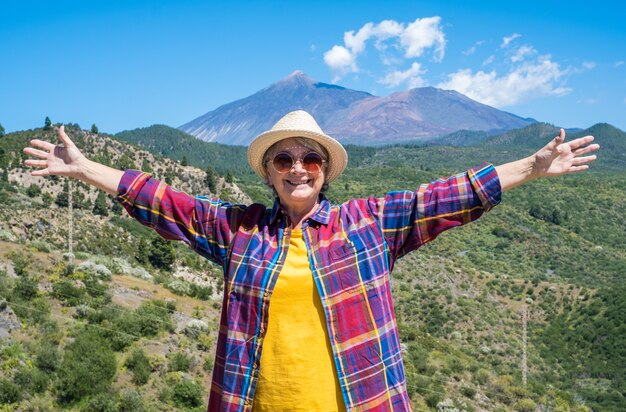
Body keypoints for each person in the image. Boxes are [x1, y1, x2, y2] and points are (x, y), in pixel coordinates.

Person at [23, 110, 599, 411]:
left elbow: (445, 197)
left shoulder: (368, 224)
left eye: (310, 159)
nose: (298, 168)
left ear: (325, 169)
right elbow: (166, 203)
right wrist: (85, 170)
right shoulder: (238, 230)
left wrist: (532, 166)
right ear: (268, 171)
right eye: (284, 159)